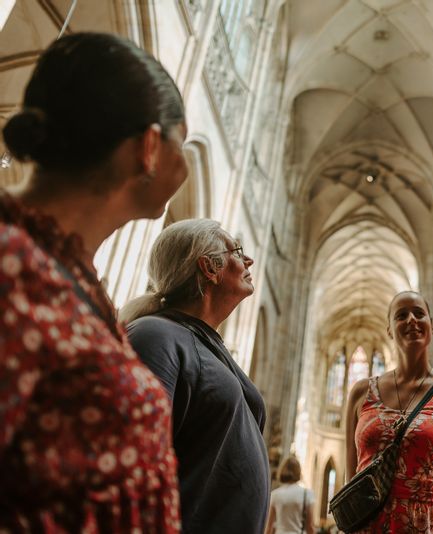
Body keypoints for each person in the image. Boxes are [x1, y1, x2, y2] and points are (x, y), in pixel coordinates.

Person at [0, 32, 186, 531]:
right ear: (149, 147)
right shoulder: (11, 264)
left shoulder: (69, 273)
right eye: (181, 142)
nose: (187, 164)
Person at [120, 218, 269, 533]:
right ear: (209, 266)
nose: (249, 260)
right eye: (237, 251)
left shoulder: (212, 347)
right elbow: (132, 463)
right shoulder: (155, 334)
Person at [344, 290, 433, 533]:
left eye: (419, 313)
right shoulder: (361, 393)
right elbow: (351, 482)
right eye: (401, 315)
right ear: (389, 330)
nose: (411, 319)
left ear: (432, 326)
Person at [267, 456, 315, 534]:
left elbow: (269, 526)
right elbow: (310, 526)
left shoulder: (275, 494)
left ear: (282, 471)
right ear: (298, 472)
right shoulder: (307, 494)